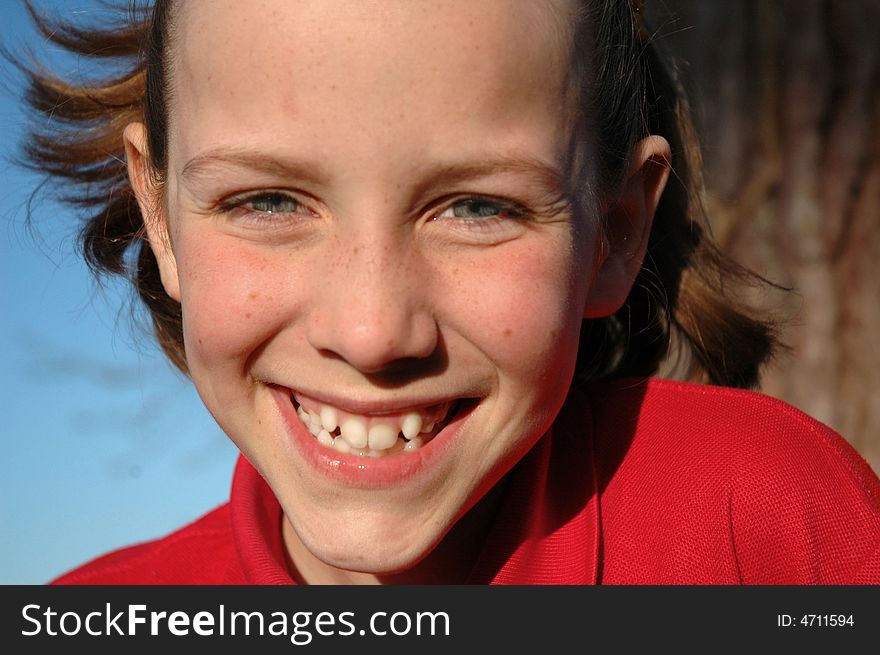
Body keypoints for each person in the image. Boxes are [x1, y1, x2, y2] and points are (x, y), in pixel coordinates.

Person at [19, 0, 880, 584]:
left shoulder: (763, 524)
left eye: (477, 207)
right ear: (160, 216)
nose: (370, 331)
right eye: (268, 200)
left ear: (615, 234)